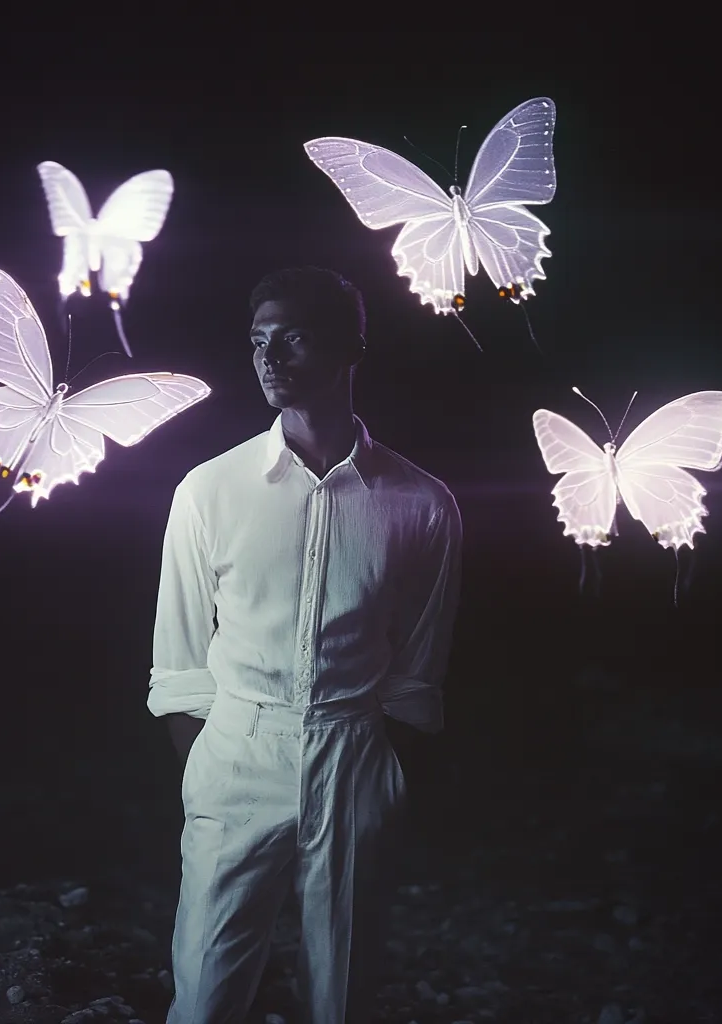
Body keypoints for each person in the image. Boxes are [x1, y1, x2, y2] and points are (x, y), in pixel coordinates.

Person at [148, 267, 463, 1024]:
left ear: (352, 346)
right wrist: (214, 767)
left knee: (343, 993)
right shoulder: (208, 491)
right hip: (238, 746)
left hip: (354, 751)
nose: (270, 357)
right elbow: (181, 664)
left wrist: (377, 767)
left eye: (293, 337)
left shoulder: (421, 503)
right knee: (205, 992)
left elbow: (420, 669)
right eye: (259, 341)